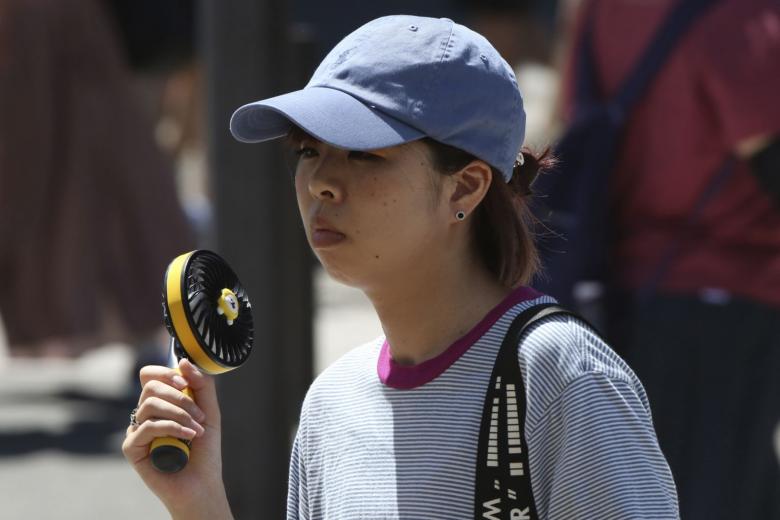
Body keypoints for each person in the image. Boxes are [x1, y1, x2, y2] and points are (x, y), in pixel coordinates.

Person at [123, 15, 679, 519]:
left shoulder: (562, 378)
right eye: (307, 149)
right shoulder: (331, 404)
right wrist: (198, 504)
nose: (320, 181)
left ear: (466, 185)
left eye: (364, 153)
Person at [556, 1, 780, 518]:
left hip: (625, 296)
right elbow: (769, 153)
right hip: (725, 302)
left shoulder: (601, 12)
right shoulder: (741, 15)